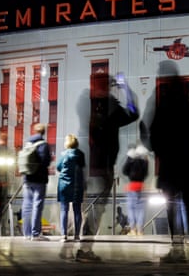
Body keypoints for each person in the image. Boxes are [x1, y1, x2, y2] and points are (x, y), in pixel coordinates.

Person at [142, 60, 189, 263]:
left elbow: (151, 130)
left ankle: (177, 248)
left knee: (172, 206)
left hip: (169, 163)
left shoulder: (161, 103)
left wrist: (156, 149)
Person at [75, 71, 138, 262]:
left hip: (87, 166)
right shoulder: (108, 106)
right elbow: (133, 113)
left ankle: (83, 247)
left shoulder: (84, 101)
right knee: (96, 209)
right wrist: (126, 88)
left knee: (90, 208)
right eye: (109, 85)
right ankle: (84, 250)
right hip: (100, 167)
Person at [22, 123, 52, 241]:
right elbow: (46, 162)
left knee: (27, 205)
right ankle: (35, 234)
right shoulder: (43, 145)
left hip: (27, 179)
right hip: (39, 179)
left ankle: (26, 233)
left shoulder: (27, 143)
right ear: (44, 132)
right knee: (37, 205)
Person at [56, 134, 86, 242]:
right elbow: (82, 166)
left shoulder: (63, 155)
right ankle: (77, 235)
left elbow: (58, 167)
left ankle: (64, 235)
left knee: (64, 209)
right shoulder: (81, 155)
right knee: (77, 210)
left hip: (64, 185)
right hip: (77, 185)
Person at [122, 143, 149, 236]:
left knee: (131, 209)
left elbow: (124, 171)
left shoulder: (131, 160)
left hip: (131, 187)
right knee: (140, 210)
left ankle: (133, 229)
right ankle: (140, 230)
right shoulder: (144, 161)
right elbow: (146, 173)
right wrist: (146, 160)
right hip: (141, 187)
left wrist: (128, 159)